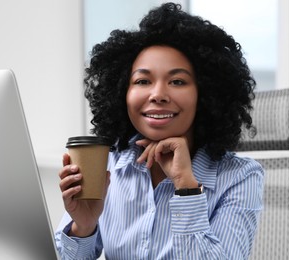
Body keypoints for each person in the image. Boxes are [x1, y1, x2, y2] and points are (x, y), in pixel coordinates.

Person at [55, 2, 264, 259]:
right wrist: (83, 227)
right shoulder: (106, 164)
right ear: (123, 92)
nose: (158, 95)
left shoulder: (239, 177)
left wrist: (186, 187)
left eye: (177, 81)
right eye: (143, 81)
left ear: (206, 94)